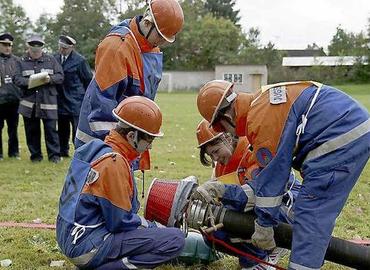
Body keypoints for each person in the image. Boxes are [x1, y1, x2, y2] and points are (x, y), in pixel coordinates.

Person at [196, 80, 370, 269]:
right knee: (310, 214)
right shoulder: (260, 106)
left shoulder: (260, 120)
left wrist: (264, 225)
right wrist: (221, 189)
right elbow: (262, 184)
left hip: (339, 137)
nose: (224, 132)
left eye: (220, 128)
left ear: (226, 114)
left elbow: (272, 181)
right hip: (346, 129)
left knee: (311, 214)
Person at [57, 96, 185, 269]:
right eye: (149, 140)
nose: (150, 147)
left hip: (69, 237)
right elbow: (120, 222)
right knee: (175, 239)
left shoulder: (94, 148)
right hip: (87, 245)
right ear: (132, 136)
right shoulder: (113, 162)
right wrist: (156, 227)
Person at [74, 0, 184, 171]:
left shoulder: (150, 48)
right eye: (160, 37)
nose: (161, 43)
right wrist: (114, 152)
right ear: (147, 23)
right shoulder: (116, 47)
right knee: (98, 191)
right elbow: (102, 109)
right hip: (100, 141)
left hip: (129, 138)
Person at [196, 119, 300, 269]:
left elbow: (256, 196)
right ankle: (257, 256)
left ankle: (261, 258)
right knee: (213, 232)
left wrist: (219, 190)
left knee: (239, 216)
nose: (215, 159)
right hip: (261, 210)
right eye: (211, 155)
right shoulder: (222, 165)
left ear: (227, 137)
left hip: (288, 208)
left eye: (216, 151)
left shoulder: (254, 149)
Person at [14, 34, 64, 163]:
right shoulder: (21, 61)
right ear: (28, 46)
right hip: (29, 103)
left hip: (48, 102)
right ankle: (36, 156)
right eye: (33, 46)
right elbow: (17, 79)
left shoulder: (51, 60)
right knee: (31, 131)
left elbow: (60, 76)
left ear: (42, 46)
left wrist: (49, 79)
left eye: (38, 46)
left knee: (51, 131)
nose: (36, 49)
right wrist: (30, 82)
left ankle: (54, 156)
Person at [54, 35, 93, 157]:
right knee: (62, 129)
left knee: (77, 130)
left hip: (76, 101)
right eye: (60, 47)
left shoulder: (80, 60)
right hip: (60, 100)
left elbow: (88, 80)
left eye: (65, 48)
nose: (62, 50)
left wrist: (87, 101)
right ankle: (63, 151)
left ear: (71, 47)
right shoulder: (54, 58)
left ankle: (79, 152)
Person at [0, 32, 21, 160]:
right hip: (0, 100)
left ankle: (14, 153)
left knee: (13, 128)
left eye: (9, 45)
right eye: (4, 45)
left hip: (14, 100)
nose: (7, 47)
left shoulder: (17, 61)